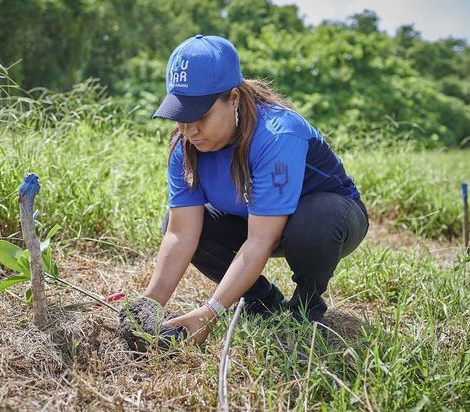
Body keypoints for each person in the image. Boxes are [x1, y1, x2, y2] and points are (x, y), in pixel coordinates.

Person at [135, 35, 368, 345]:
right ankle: (261, 301)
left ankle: (306, 307)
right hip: (255, 223)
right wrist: (147, 307)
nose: (190, 131)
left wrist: (211, 311)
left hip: (327, 222)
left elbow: (261, 239)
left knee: (315, 219)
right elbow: (181, 235)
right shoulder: (185, 148)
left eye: (200, 116)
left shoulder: (277, 134)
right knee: (171, 223)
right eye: (180, 117)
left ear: (233, 98)